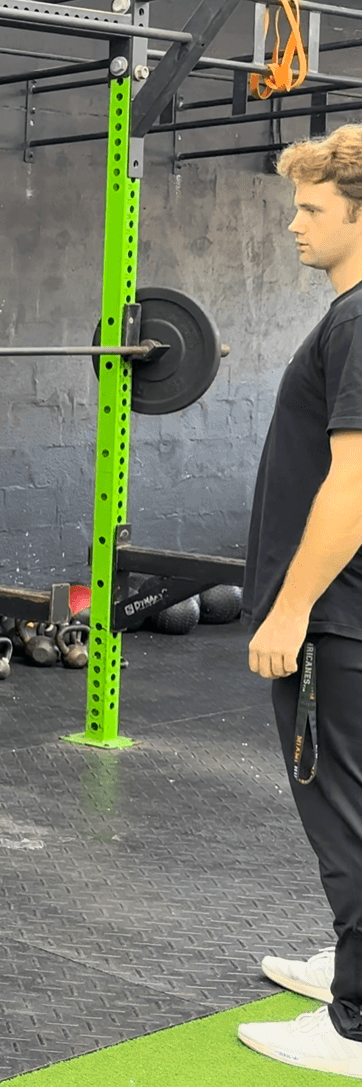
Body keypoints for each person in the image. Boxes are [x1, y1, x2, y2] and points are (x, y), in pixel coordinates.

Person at [239, 123, 362, 1078]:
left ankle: (355, 1021)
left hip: (337, 615)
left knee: (342, 813)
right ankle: (351, 965)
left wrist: (290, 609)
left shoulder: (360, 318)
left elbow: (354, 486)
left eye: (312, 207)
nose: (294, 223)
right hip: (346, 609)